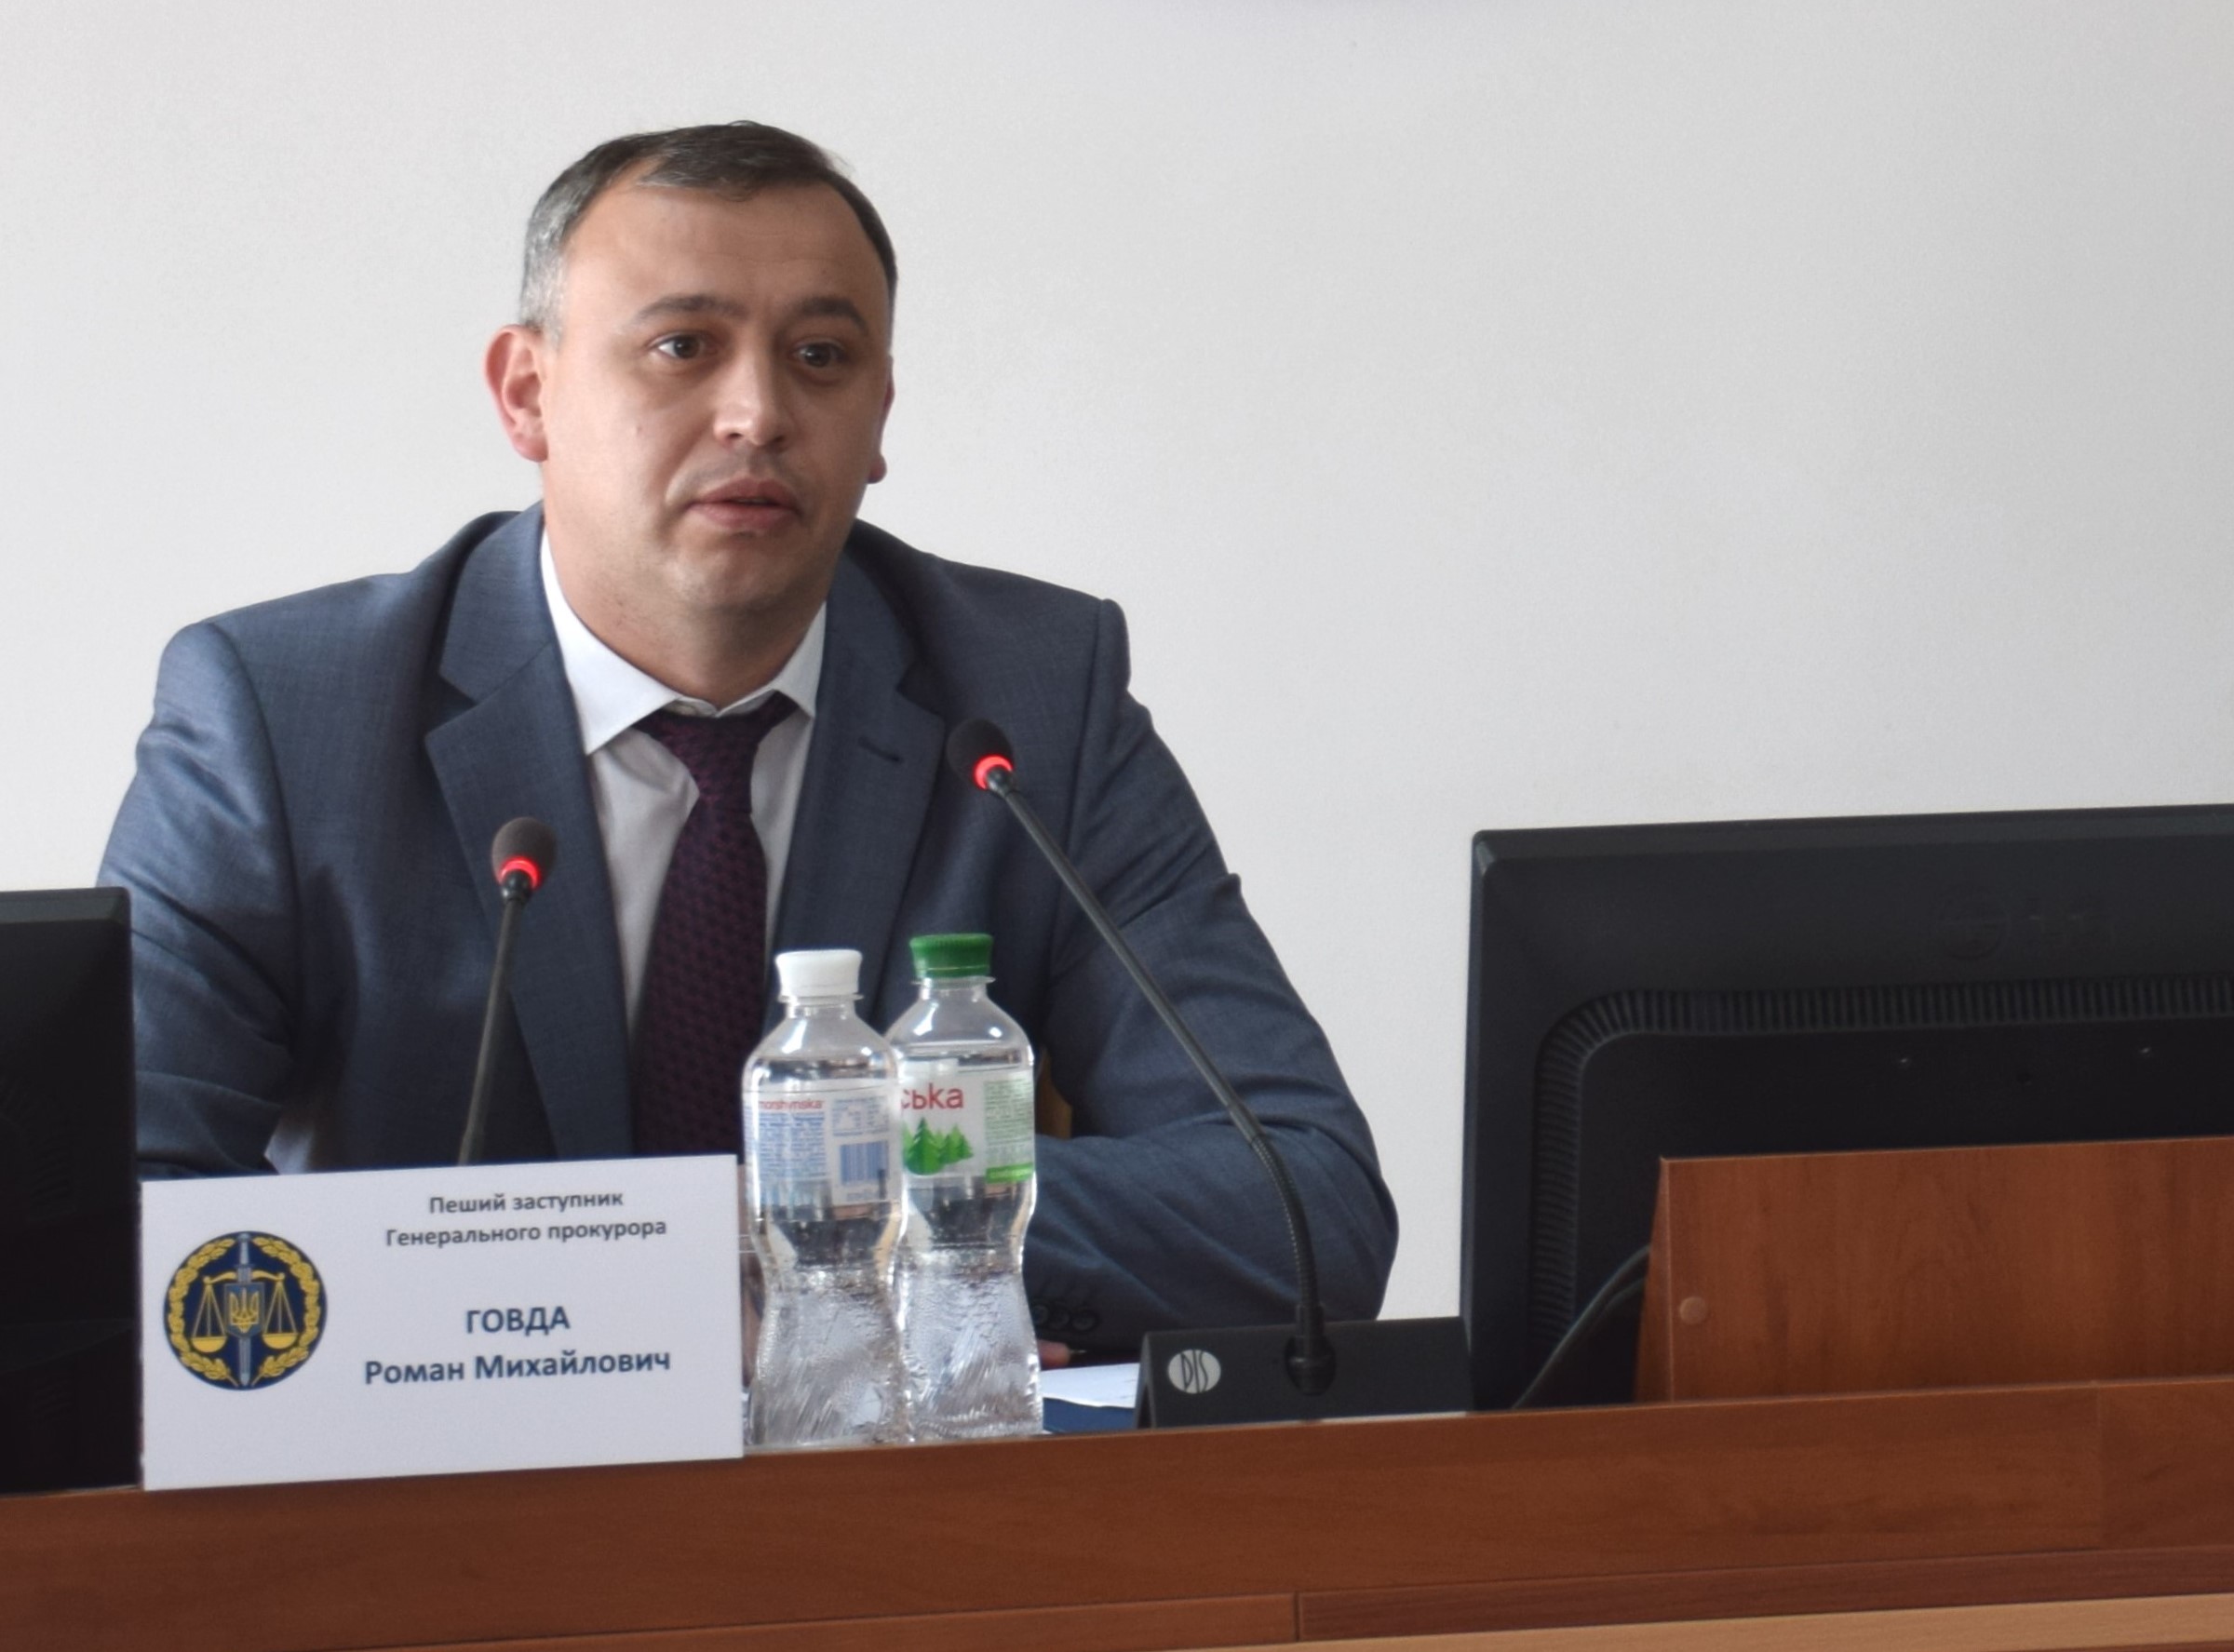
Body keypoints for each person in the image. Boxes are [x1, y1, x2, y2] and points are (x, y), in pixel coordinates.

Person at [105, 122, 1391, 1355]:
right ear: (527, 393)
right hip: (454, 1472)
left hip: (890, 1491)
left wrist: (804, 1222)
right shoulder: (283, 719)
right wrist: (627, 1290)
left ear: (880, 414)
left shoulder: (1031, 701)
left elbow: (1303, 1206)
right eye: (682, 347)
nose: (758, 414)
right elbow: (112, 1213)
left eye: (821, 357)